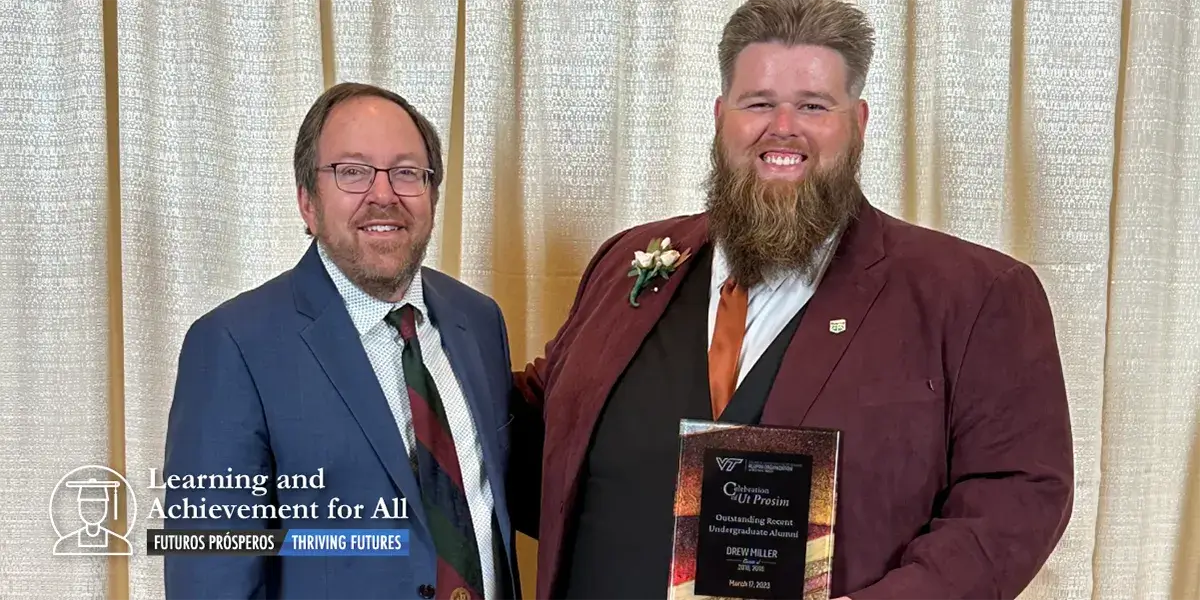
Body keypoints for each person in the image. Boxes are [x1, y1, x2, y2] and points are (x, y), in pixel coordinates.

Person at [507, 1, 1074, 599]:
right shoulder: (629, 259)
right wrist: (410, 345)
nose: (782, 127)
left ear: (858, 121)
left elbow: (1017, 495)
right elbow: (537, 431)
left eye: (812, 105)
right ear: (721, 116)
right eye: (758, 103)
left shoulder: (973, 293)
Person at [163, 82, 521, 600]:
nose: (383, 195)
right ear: (308, 201)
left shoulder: (480, 321)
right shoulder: (231, 346)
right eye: (352, 172)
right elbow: (211, 579)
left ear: (432, 196)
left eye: (406, 173)